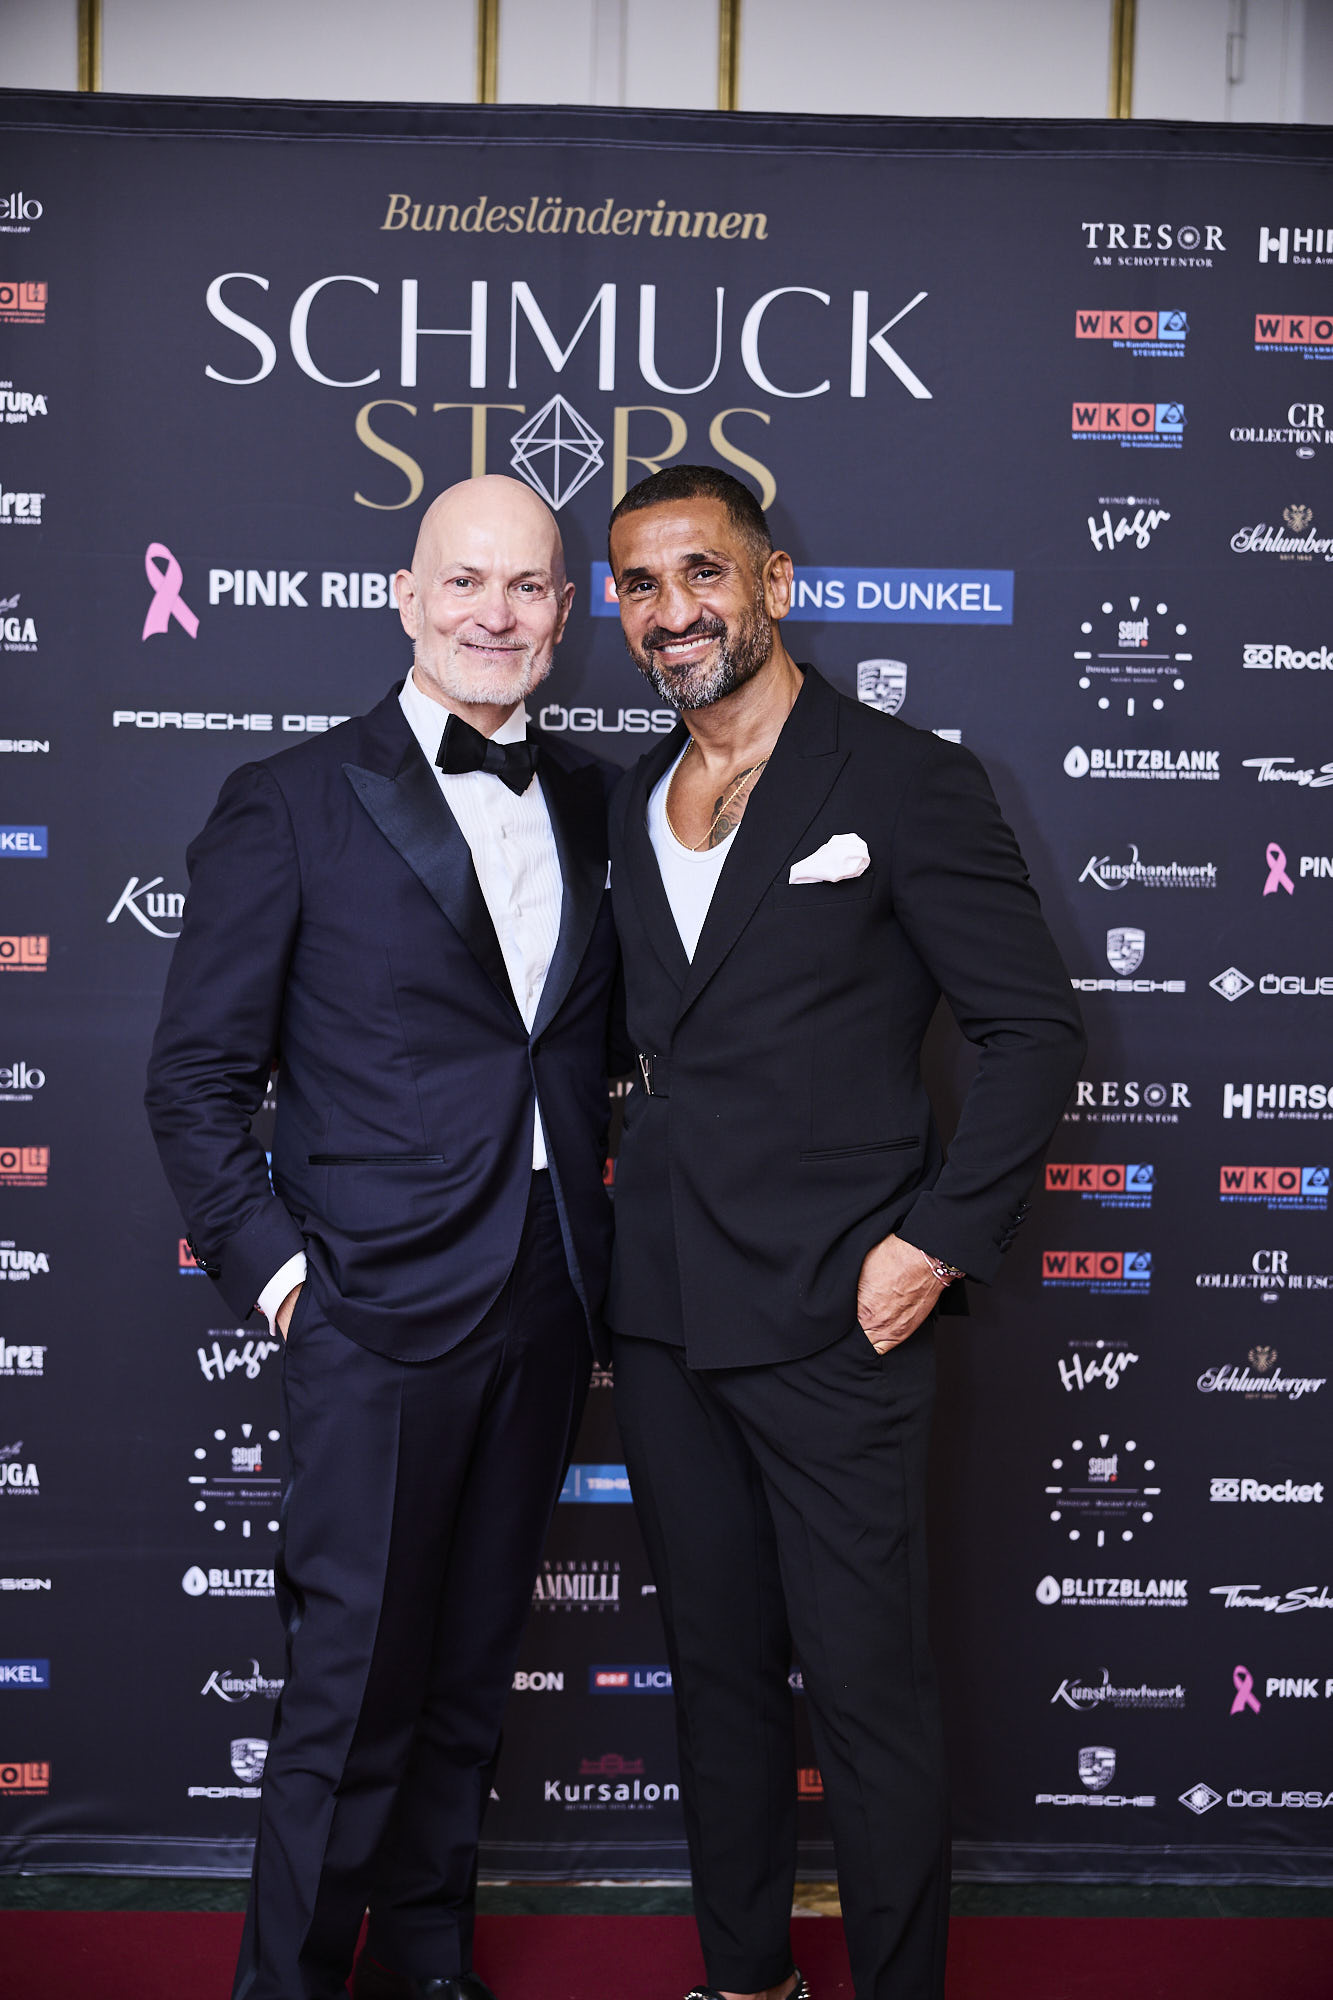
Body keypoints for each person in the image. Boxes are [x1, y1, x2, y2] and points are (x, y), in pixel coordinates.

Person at [603, 466, 1085, 2000]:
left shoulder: (904, 779)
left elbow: (1030, 1030)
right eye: (638, 585)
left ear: (772, 584)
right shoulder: (627, 796)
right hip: (664, 1309)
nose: (672, 610)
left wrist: (931, 1242)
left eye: (701, 572)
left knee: (869, 1698)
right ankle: (746, 1978)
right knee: (716, 1679)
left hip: (838, 1310)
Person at [146, 475, 619, 2000]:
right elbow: (195, 1080)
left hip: (547, 1293)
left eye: (527, 586)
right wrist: (288, 1285)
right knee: (349, 1694)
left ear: (564, 613)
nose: (495, 612)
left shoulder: (596, 798)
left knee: (470, 1677)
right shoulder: (290, 800)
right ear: (404, 599)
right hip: (370, 1308)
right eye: (463, 581)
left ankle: (427, 1963)